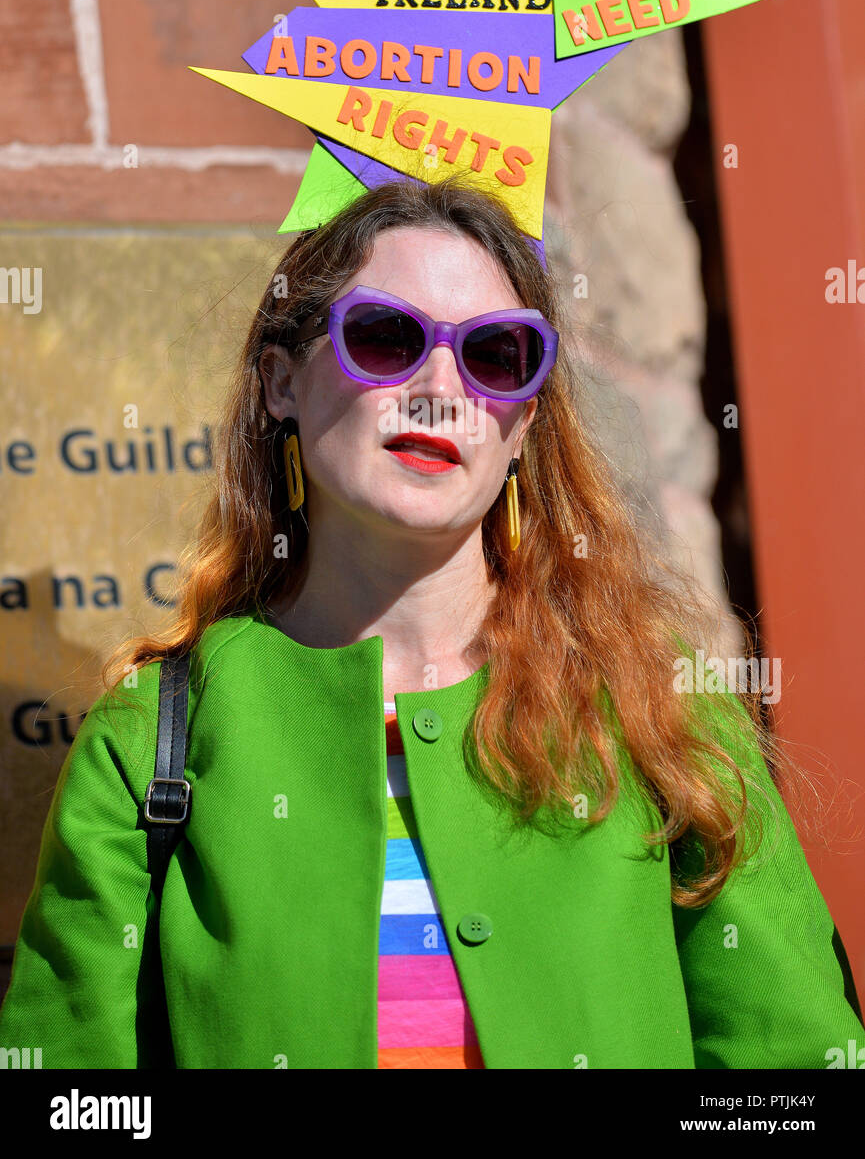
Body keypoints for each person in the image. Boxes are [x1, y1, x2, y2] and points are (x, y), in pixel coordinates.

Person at [0, 176, 862, 1070]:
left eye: (495, 355)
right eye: (384, 337)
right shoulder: (149, 739)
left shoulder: (653, 703)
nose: (439, 389)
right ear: (279, 383)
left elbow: (793, 1065)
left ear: (523, 423)